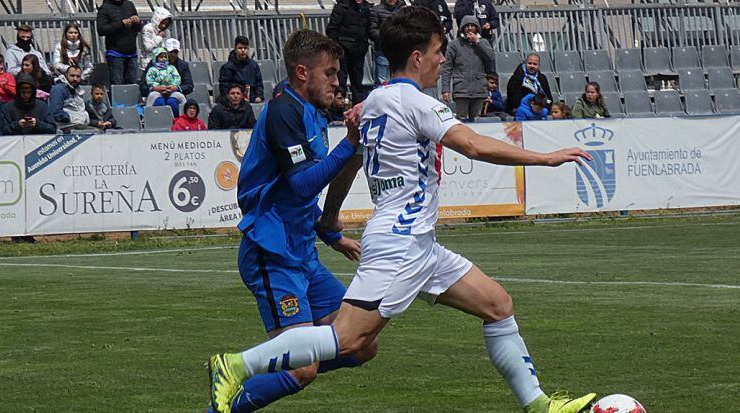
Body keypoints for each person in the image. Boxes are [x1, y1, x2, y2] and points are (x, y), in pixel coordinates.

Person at [208, 7, 597, 413]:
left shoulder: (374, 101)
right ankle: (236, 365)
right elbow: (473, 145)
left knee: (497, 305)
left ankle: (537, 404)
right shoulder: (415, 103)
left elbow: (351, 160)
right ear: (416, 56)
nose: (441, 59)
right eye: (437, 51)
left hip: (419, 242)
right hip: (400, 242)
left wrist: (328, 220)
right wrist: (545, 158)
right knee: (348, 339)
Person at [208, 29, 378, 413]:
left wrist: (329, 234)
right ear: (303, 72)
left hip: (302, 253)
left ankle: (255, 378)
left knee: (362, 344)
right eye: (329, 73)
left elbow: (290, 195)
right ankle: (228, 387)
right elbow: (301, 185)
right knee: (304, 369)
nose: (337, 82)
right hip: (272, 253)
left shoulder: (311, 112)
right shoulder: (284, 111)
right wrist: (349, 145)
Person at [440, 15, 495, 121]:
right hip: (461, 88)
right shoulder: (454, 44)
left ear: (477, 28)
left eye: (472, 26)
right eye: (467, 26)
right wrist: (445, 89)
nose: (469, 28)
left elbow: (491, 57)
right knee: (461, 119)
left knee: (476, 119)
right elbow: (447, 68)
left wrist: (478, 42)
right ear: (462, 28)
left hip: (479, 88)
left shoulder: (484, 42)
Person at [326, 0, 372, 104]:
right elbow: (332, 29)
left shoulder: (367, 9)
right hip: (343, 51)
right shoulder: (341, 7)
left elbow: (368, 29)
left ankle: (358, 110)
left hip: (359, 52)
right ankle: (338, 111)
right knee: (340, 82)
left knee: (357, 83)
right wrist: (338, 48)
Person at [97, 0, 142, 85]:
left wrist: (137, 22)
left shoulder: (129, 4)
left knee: (132, 84)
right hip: (115, 53)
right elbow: (101, 30)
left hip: (131, 53)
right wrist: (121, 23)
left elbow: (139, 28)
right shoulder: (105, 8)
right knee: (117, 84)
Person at [218, 36, 264, 103]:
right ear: (235, 49)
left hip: (252, 98)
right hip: (233, 101)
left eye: (245, 48)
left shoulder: (254, 65)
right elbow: (224, 88)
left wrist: (259, 96)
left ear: (248, 49)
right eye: (240, 48)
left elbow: (259, 83)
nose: (243, 50)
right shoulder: (227, 67)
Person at [369, 0, 405, 85]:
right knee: (381, 83)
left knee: (399, 81)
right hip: (382, 52)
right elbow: (372, 31)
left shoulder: (403, 10)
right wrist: (388, 36)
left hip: (400, 52)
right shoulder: (376, 10)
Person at [49, 66, 94, 132]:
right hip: (64, 129)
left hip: (78, 127)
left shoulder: (79, 91)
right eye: (72, 75)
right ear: (66, 75)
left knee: (100, 132)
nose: (75, 79)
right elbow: (56, 114)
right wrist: (74, 118)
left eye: (78, 76)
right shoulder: (58, 89)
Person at [144, 47, 186, 115]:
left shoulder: (171, 68)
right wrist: (157, 87)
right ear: (156, 58)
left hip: (171, 90)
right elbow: (150, 80)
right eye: (161, 57)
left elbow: (177, 78)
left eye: (165, 57)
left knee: (177, 100)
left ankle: (183, 118)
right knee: (159, 102)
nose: (164, 59)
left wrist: (173, 86)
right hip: (157, 91)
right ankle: (148, 117)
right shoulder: (152, 69)